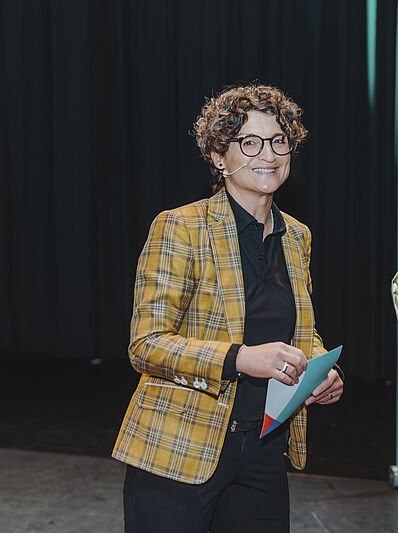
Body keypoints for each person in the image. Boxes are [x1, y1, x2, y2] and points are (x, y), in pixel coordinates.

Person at [112, 84, 344, 533]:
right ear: (219, 156)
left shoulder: (297, 236)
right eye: (250, 142)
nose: (269, 154)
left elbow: (300, 328)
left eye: (279, 141)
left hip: (265, 449)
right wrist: (240, 358)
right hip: (179, 447)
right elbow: (146, 345)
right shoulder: (180, 226)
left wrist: (318, 368)